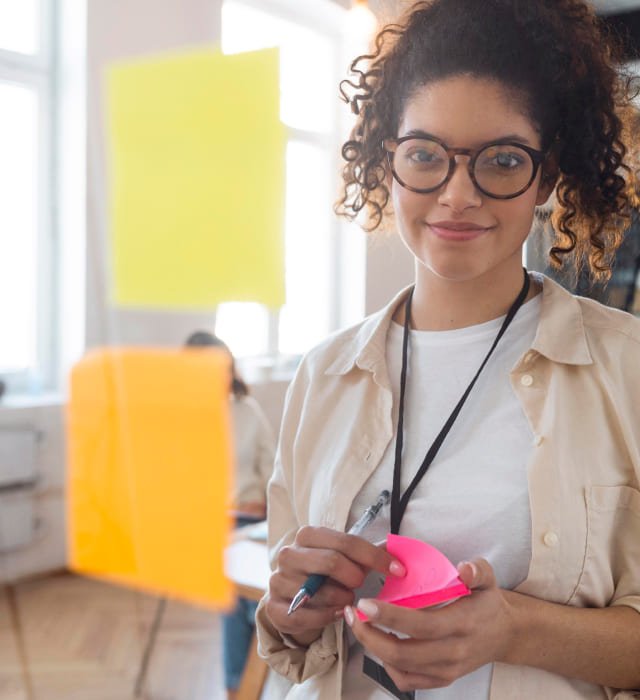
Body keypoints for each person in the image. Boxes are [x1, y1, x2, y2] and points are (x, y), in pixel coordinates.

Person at [253, 1, 640, 698]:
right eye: (426, 155)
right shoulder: (326, 373)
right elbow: (294, 633)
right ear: (388, 164)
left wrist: (515, 628)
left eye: (501, 160)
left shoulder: (625, 367)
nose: (458, 196)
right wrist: (291, 606)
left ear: (546, 178)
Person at [184, 331, 276, 699]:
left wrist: (266, 501)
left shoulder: (248, 413)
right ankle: (242, 683)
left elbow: (273, 468)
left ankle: (241, 684)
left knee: (249, 596)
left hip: (253, 521)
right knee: (245, 599)